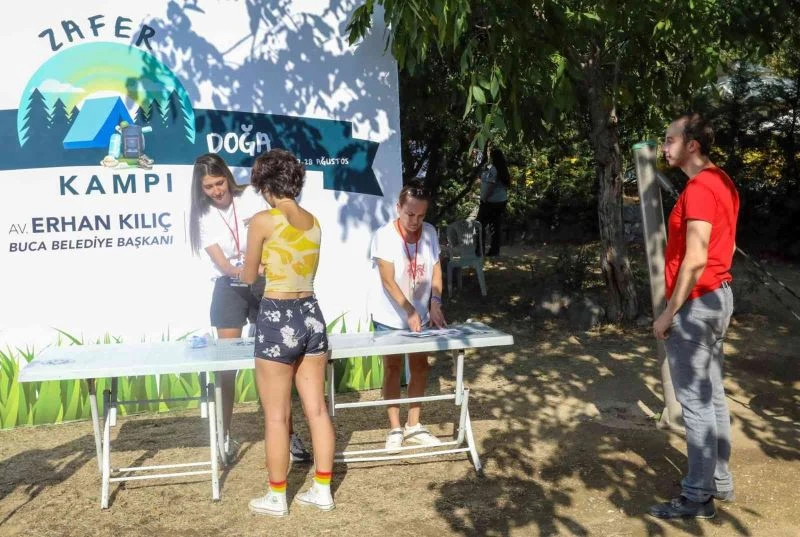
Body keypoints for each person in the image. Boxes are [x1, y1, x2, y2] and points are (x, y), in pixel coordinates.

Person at [188, 153, 311, 463]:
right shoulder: (201, 216)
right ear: (199, 188)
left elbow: (278, 235)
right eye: (208, 187)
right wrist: (247, 270)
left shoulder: (252, 197)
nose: (216, 191)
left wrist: (263, 267)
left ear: (228, 178)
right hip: (229, 288)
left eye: (219, 183)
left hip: (267, 284)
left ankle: (289, 435)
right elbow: (224, 265)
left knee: (276, 364)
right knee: (226, 366)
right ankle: (224, 436)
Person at [649, 113, 739, 520]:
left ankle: (698, 496)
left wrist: (669, 312)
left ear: (692, 145)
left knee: (696, 403)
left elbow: (696, 257)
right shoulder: (722, 181)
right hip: (718, 297)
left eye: (670, 140)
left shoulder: (701, 187)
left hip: (697, 302)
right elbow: (724, 247)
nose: (664, 147)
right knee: (713, 395)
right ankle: (719, 481)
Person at [241, 149, 336, 517]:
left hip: (277, 315)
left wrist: (259, 262)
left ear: (265, 185)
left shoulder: (262, 221)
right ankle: (322, 489)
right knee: (317, 410)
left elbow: (248, 275)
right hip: (311, 313)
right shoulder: (314, 222)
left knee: (277, 416)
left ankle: (277, 496)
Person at [369, 180, 447, 453]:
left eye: (421, 216)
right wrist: (409, 309)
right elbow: (388, 280)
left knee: (420, 366)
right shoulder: (384, 235)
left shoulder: (430, 232)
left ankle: (414, 425)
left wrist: (435, 301)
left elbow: (436, 270)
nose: (415, 221)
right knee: (392, 367)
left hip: (420, 315)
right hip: (389, 315)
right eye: (410, 214)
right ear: (398, 208)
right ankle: (394, 428)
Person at [476, 146, 510, 257]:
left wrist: (484, 198)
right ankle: (494, 251)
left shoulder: (494, 169)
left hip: (490, 202)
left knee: (479, 225)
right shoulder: (502, 169)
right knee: (495, 226)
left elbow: (490, 186)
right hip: (501, 201)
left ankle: (479, 250)